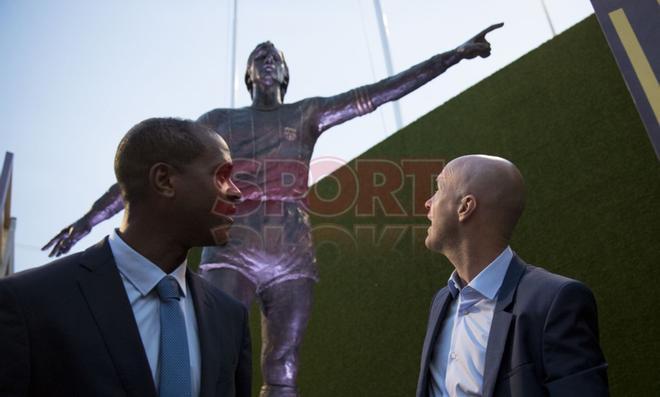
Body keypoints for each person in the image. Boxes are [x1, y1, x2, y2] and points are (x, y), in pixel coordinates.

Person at [42, 24, 503, 397]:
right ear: (248, 75)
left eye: (274, 58)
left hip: (291, 252)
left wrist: (454, 55)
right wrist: (89, 219)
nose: (266, 60)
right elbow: (148, 165)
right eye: (258, 58)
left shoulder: (306, 114)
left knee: (282, 368)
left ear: (284, 73)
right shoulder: (218, 123)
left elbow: (379, 93)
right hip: (232, 246)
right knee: (211, 351)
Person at [1, 118, 251, 397]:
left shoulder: (230, 318)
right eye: (221, 176)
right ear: (164, 180)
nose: (237, 192)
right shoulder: (28, 303)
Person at [416, 155, 609, 397]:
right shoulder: (441, 302)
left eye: (438, 189)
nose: (427, 203)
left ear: (465, 207)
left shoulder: (554, 301)